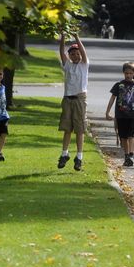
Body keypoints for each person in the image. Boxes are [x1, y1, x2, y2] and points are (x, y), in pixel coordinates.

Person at [57, 31, 88, 171]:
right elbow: (61, 52)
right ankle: (65, 154)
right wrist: (63, 37)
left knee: (79, 129)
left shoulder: (84, 65)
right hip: (67, 99)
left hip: (79, 99)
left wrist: (76, 38)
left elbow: (83, 51)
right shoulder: (67, 65)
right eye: (72, 54)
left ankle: (79, 156)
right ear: (69, 56)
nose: (75, 56)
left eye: (77, 54)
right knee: (67, 128)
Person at [106, 62, 134, 167]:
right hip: (120, 115)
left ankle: (131, 155)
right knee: (123, 137)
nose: (128, 75)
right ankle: (126, 155)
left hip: (132, 115)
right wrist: (108, 111)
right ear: (123, 73)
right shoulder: (118, 85)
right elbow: (112, 98)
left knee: (131, 136)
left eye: (131, 73)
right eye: (126, 73)